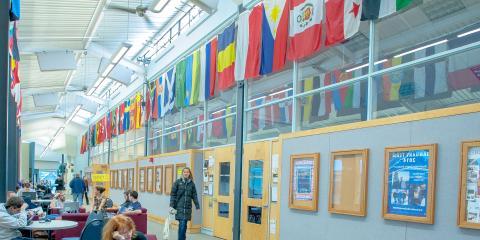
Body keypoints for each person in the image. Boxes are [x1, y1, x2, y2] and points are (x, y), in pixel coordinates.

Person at [169, 167, 200, 240]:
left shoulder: (192, 184)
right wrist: (171, 206)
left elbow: (194, 195)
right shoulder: (177, 182)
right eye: (184, 172)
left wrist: (197, 206)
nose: (186, 173)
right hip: (179, 207)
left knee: (184, 225)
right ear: (182, 173)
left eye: (187, 172)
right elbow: (173, 195)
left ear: (189, 174)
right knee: (182, 224)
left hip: (188, 208)